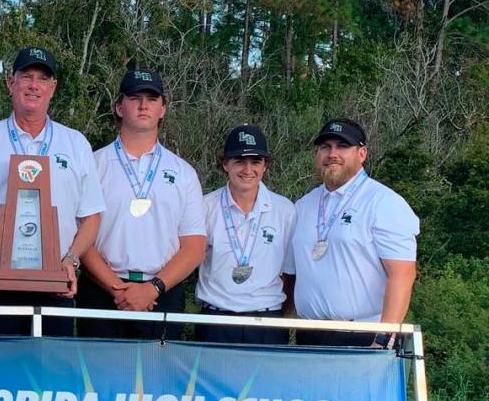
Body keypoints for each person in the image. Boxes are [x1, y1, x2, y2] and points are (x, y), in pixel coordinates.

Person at [0, 46, 104, 336]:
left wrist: (70, 260)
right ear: (11, 83)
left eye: (43, 79)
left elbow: (92, 216)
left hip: (55, 286)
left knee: (49, 378)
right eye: (26, 76)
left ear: (53, 87)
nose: (34, 85)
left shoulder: (76, 143)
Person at [78, 68, 205, 340]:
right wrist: (117, 288)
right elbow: (80, 237)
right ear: (119, 107)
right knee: (97, 381)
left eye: (152, 98)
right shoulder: (92, 164)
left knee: (158, 381)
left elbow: (194, 246)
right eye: (135, 97)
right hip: (101, 292)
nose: (144, 105)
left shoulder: (183, 172)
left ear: (163, 109)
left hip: (162, 295)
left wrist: (153, 288)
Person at [290, 119, 419, 347]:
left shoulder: (384, 202)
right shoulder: (303, 205)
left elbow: (402, 274)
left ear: (362, 153)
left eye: (342, 146)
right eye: (325, 147)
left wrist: (384, 337)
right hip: (309, 334)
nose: (332, 154)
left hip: (364, 335)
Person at [193, 123, 295, 344]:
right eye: (239, 161)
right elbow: (192, 258)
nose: (248, 170)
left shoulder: (285, 210)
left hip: (267, 321)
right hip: (216, 320)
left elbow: (290, 273)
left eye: (255, 161)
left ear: (265, 165)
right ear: (225, 164)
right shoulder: (205, 207)